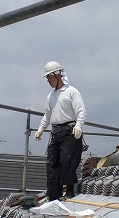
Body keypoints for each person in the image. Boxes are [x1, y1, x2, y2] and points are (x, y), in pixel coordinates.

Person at [35, 61, 86, 201]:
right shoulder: (50, 96)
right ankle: (53, 195)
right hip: (56, 133)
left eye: (49, 77)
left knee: (67, 161)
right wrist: (40, 129)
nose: (47, 80)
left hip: (70, 133)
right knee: (52, 164)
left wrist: (79, 126)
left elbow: (81, 111)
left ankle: (69, 192)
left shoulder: (71, 92)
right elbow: (47, 115)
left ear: (57, 75)